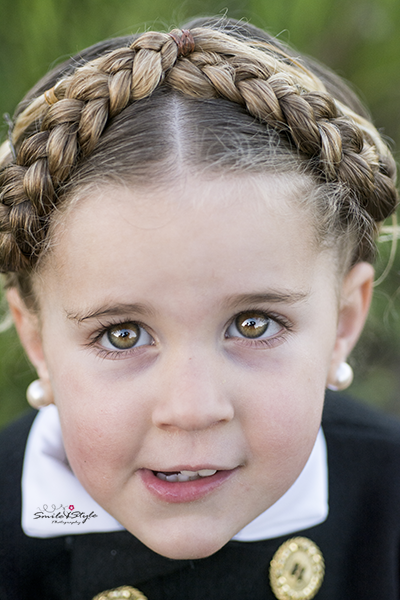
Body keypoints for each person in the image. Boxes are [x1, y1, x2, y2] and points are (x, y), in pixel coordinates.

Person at [0, 15, 399, 600]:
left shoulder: (385, 497)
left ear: (343, 322)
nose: (191, 409)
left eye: (253, 325)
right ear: (37, 340)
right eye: (123, 334)